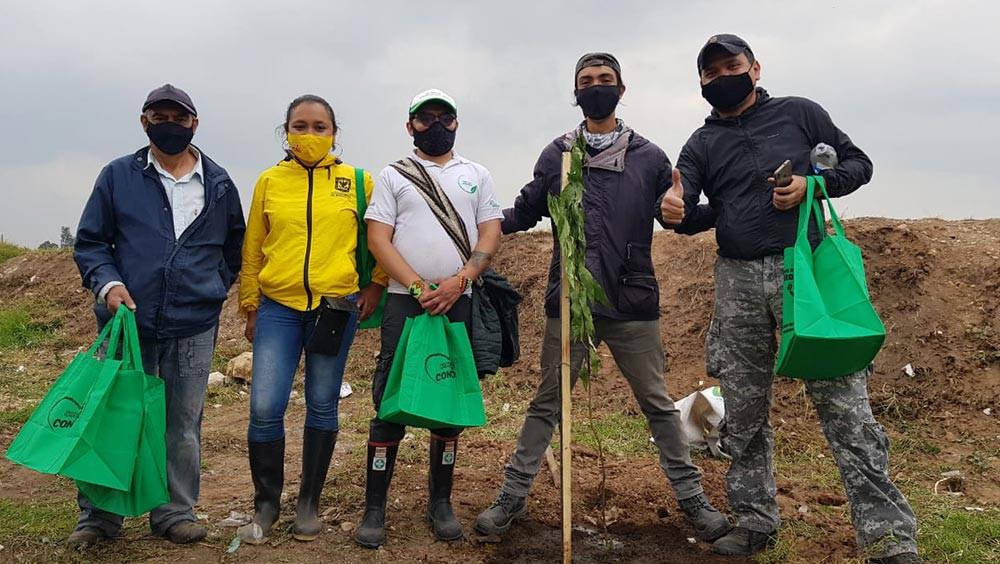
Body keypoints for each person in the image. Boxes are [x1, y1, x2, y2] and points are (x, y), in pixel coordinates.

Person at [663, 34, 919, 563]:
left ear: (754, 68)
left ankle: (889, 537)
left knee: (846, 409)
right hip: (736, 283)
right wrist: (674, 208)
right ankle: (756, 521)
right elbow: (688, 211)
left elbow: (858, 164)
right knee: (746, 411)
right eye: (712, 72)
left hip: (804, 275)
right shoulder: (700, 144)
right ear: (702, 84)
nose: (723, 76)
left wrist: (813, 184)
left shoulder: (801, 114)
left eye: (732, 65)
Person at [474, 53, 730, 544]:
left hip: (631, 300)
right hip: (568, 302)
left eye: (605, 81)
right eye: (587, 82)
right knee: (546, 403)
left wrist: (695, 210)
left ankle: (693, 501)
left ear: (621, 89)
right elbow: (525, 211)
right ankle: (511, 496)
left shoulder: (649, 157)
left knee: (656, 403)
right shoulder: (557, 154)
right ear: (576, 93)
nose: (596, 88)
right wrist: (472, 226)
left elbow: (674, 214)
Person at [71, 84, 245, 546]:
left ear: (195, 122)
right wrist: (108, 285)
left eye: (179, 117)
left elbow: (233, 248)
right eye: (159, 116)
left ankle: (174, 511)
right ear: (144, 122)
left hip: (192, 326)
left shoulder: (219, 182)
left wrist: (210, 290)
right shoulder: (118, 177)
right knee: (115, 416)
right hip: (126, 323)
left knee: (182, 422)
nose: (169, 124)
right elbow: (91, 243)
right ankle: (100, 518)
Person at [237, 94, 387, 543]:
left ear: (334, 133)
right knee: (265, 407)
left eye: (319, 127)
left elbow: (379, 236)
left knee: (322, 404)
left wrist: (376, 284)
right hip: (278, 309)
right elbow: (253, 247)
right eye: (299, 126)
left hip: (334, 309)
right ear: (285, 131)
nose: (309, 134)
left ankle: (308, 504)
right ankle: (266, 505)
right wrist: (250, 305)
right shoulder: (269, 181)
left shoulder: (358, 182)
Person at [356, 88, 503, 548]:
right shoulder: (395, 175)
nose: (435, 124)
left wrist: (460, 280)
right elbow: (379, 237)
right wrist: (419, 286)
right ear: (410, 126)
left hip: (459, 297)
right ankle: (374, 508)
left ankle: (441, 503)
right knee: (390, 399)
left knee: (446, 399)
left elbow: (490, 230)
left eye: (444, 116)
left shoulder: (476, 174)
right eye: (425, 118)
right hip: (405, 301)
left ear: (456, 123)